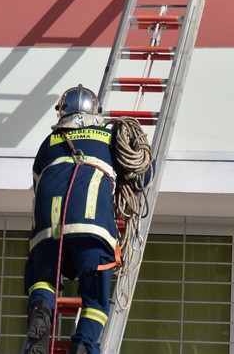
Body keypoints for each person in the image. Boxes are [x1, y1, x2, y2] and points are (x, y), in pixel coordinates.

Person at [21, 85, 150, 354]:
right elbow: (142, 177)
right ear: (96, 112)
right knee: (95, 301)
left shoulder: (48, 143)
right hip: (92, 227)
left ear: (61, 113)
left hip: (48, 228)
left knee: (43, 280)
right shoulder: (110, 138)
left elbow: (37, 184)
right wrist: (140, 150)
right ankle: (83, 347)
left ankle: (41, 314)